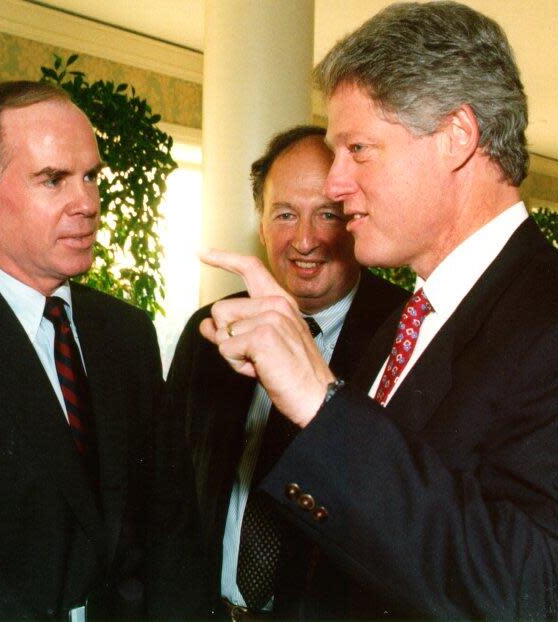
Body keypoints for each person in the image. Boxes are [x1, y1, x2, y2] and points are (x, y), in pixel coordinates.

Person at [197, 2, 558, 619]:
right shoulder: (413, 317)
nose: (336, 183)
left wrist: (324, 407)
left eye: (358, 149)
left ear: (457, 137)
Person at [0, 81, 201, 620]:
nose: (88, 203)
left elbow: (175, 536)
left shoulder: (128, 334)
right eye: (54, 180)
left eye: (91, 176)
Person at [167, 125, 406, 619]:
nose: (305, 239)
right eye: (284, 214)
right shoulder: (212, 331)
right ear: (260, 224)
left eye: (327, 214)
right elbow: (173, 498)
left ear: (355, 217)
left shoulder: (405, 334)